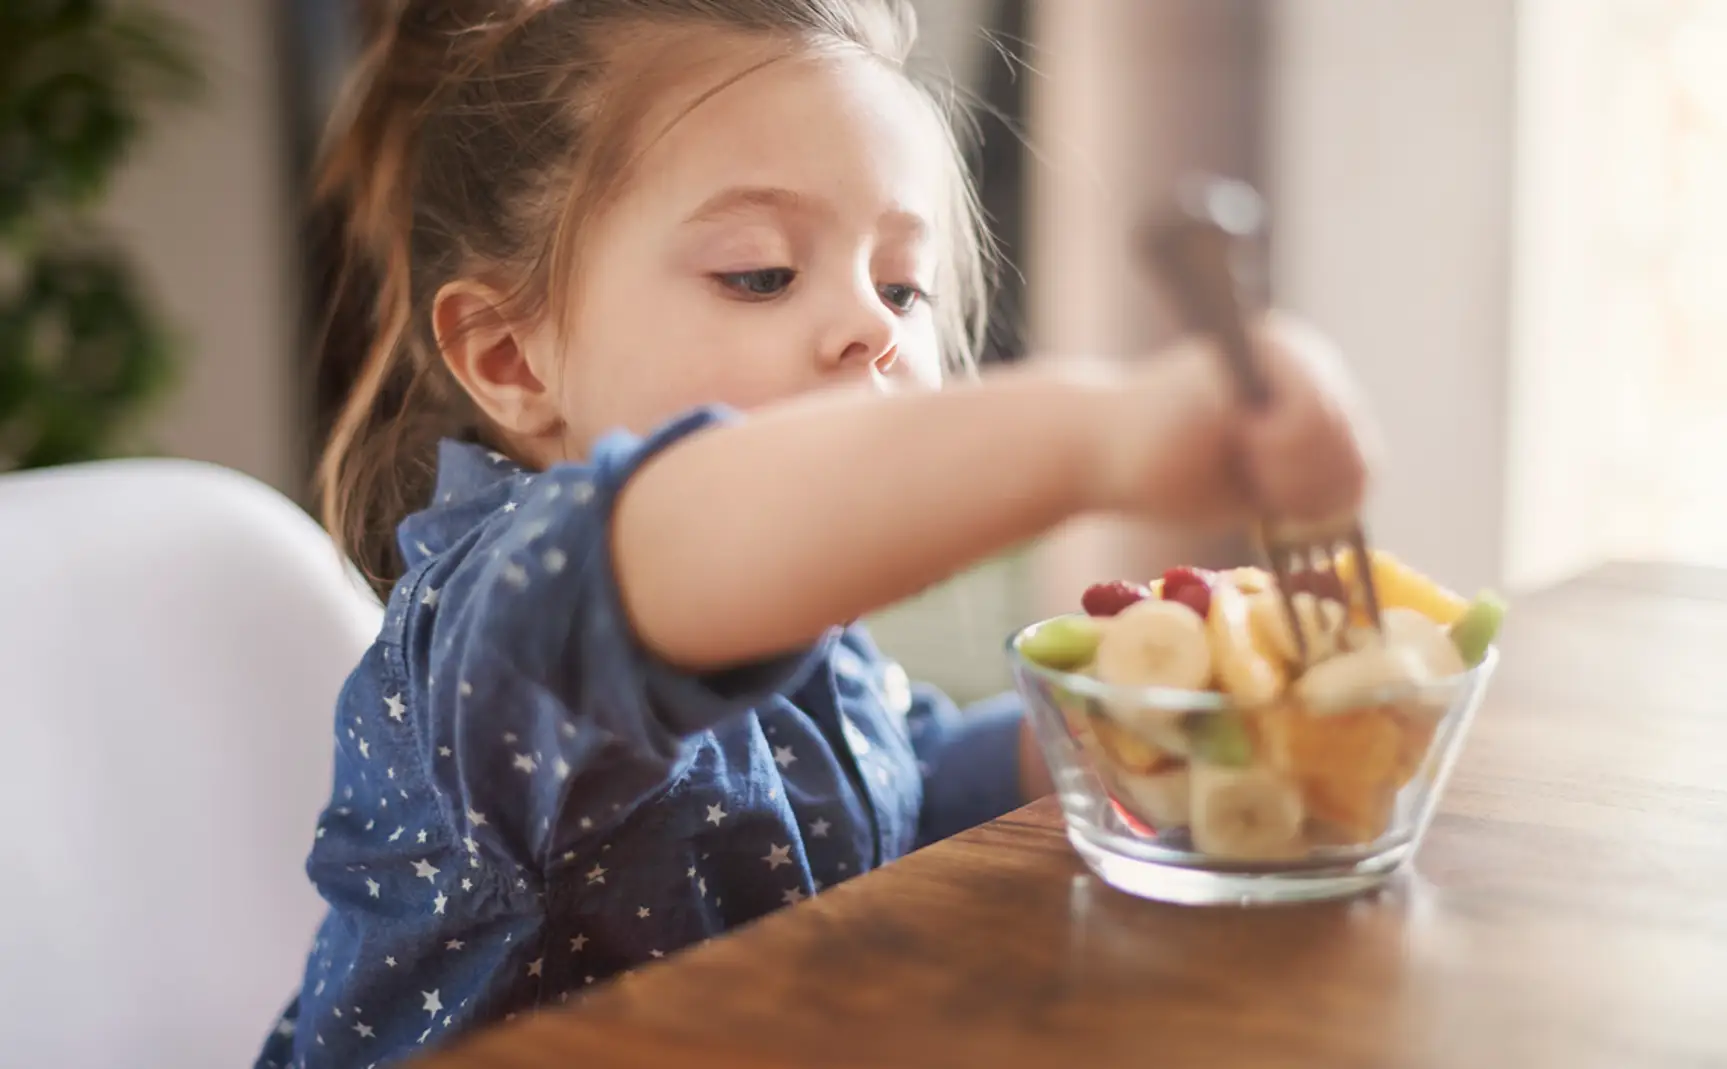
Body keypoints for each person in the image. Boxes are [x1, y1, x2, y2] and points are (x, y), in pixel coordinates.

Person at [258, 1, 1376, 1065]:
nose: (866, 328)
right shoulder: (501, 622)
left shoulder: (800, 630)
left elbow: (898, 793)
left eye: (902, 287)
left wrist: (1113, 727)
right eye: (761, 274)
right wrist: (1105, 432)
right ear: (510, 357)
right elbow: (684, 529)